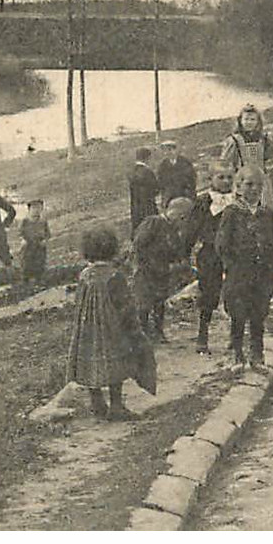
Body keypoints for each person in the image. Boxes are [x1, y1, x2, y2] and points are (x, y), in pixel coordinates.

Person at [67, 226, 155, 420]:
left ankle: (97, 403)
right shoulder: (114, 275)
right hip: (112, 328)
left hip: (88, 328)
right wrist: (133, 327)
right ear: (111, 249)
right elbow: (124, 306)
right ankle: (116, 406)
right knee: (118, 361)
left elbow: (79, 303)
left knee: (91, 362)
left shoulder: (84, 275)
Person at [216, 166, 273, 370]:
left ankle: (257, 354)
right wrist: (232, 266)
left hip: (263, 273)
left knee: (259, 312)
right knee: (238, 312)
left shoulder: (267, 214)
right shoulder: (232, 213)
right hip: (239, 273)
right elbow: (222, 244)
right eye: (249, 184)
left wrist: (271, 266)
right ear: (238, 187)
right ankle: (237, 354)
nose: (254, 189)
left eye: (258, 185)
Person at [189, 163, 236, 353]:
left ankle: (236, 336)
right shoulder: (203, 202)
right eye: (221, 177)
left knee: (235, 294)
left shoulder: (238, 201)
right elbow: (191, 229)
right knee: (208, 293)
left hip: (234, 253)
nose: (225, 182)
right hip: (210, 253)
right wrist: (186, 250)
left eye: (229, 178)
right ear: (211, 180)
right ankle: (203, 335)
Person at [133, 198, 193, 342]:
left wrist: (180, 263)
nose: (183, 223)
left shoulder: (172, 230)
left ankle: (158, 332)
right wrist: (145, 263)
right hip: (146, 270)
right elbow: (139, 244)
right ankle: (143, 333)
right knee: (144, 302)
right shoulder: (153, 222)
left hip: (162, 271)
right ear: (179, 215)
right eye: (183, 219)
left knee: (160, 301)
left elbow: (177, 251)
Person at [220, 104, 273, 178]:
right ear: (240, 121)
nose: (249, 122)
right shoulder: (234, 140)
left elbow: (271, 160)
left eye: (252, 119)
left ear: (258, 121)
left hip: (261, 178)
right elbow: (226, 163)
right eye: (246, 119)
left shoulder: (265, 139)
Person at [128, 147, 161, 234]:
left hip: (135, 207)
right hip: (148, 206)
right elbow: (156, 189)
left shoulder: (132, 172)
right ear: (147, 158)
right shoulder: (148, 172)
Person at [156, 140, 198, 208]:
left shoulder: (185, 162)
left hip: (184, 195)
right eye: (165, 151)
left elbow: (192, 178)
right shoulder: (162, 165)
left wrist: (188, 191)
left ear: (175, 150)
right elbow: (161, 181)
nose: (167, 153)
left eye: (170, 150)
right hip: (170, 197)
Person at [19, 200, 51, 284]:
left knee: (40, 262)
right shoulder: (25, 221)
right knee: (26, 262)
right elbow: (20, 233)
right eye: (33, 208)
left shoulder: (43, 221)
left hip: (39, 244)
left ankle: (39, 279)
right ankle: (25, 280)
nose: (36, 210)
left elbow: (48, 233)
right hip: (28, 245)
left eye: (38, 208)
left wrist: (45, 240)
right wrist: (23, 239)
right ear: (29, 209)